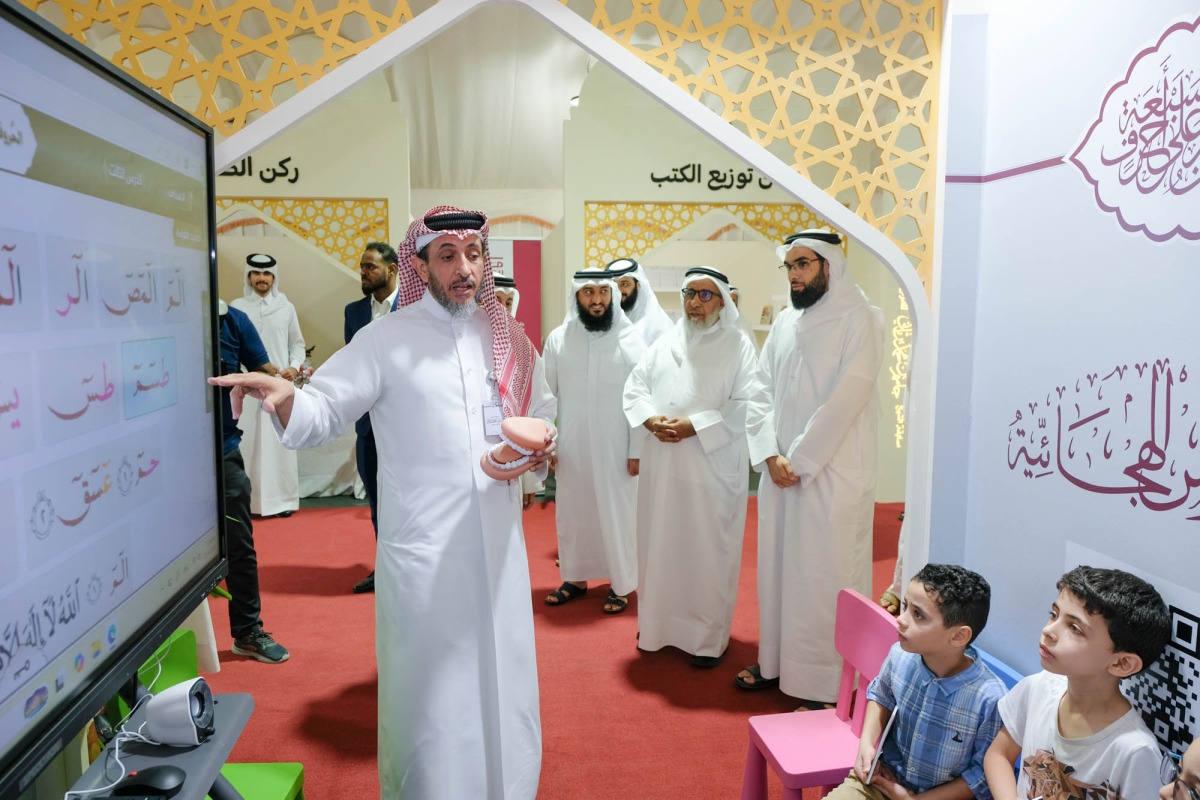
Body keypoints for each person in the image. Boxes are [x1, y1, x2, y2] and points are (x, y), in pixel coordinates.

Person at [210, 207, 557, 799]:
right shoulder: (384, 339)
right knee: (432, 697)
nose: (464, 269)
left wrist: (543, 444)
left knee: (505, 678)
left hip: (499, 549)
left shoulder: (507, 337)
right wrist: (288, 397)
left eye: (473, 254)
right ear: (419, 264)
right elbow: (324, 412)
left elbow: (543, 411)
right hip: (424, 556)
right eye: (447, 256)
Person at [738, 229, 883, 704]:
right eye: (790, 266)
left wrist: (798, 459)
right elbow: (758, 390)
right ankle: (777, 664)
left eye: (804, 265)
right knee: (778, 573)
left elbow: (850, 394)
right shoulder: (784, 323)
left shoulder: (859, 317)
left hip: (830, 472)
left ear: (829, 266)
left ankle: (825, 684)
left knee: (824, 575)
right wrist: (766, 453)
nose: (795, 275)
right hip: (781, 472)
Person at [623, 267, 768, 667]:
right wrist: (651, 420)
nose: (695, 302)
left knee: (707, 551)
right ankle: (657, 628)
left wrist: (695, 426)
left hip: (711, 467)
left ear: (723, 300)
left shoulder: (738, 345)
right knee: (660, 544)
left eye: (706, 295)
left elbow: (746, 404)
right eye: (690, 293)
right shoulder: (665, 341)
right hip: (664, 465)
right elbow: (635, 387)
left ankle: (706, 638)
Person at [983, 565, 1171, 800]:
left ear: (1122, 663)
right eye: (1054, 615)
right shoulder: (1039, 688)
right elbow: (998, 754)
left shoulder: (1135, 751)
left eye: (1075, 628)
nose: (1048, 630)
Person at [828, 563, 1005, 799]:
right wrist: (867, 744)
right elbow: (881, 695)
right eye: (905, 606)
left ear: (959, 635)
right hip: (882, 782)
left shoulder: (990, 698)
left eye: (918, 614)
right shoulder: (899, 655)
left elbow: (981, 776)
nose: (901, 619)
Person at [542, 268, 646, 615]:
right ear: (577, 297)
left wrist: (637, 449)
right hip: (572, 447)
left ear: (613, 295)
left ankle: (621, 583)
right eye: (589, 293)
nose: (597, 300)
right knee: (574, 514)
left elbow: (641, 400)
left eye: (603, 292)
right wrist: (548, 444)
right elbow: (546, 397)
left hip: (617, 449)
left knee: (618, 515)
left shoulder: (632, 341)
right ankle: (575, 576)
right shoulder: (558, 339)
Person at [216, 300, 290, 664]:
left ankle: (246, 631)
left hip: (222, 452)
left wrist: (285, 380)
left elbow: (265, 371)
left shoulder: (234, 321)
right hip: (161, 459)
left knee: (239, 545)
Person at [343, 242, 400, 594]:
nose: (363, 272)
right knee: (378, 501)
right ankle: (385, 569)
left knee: (407, 500)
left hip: (406, 427)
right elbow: (352, 365)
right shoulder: (352, 311)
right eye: (362, 267)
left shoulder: (414, 306)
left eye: (370, 267)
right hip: (368, 426)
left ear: (392, 269)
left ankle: (409, 569)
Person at [230, 253, 306, 518]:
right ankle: (249, 505)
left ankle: (282, 501)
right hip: (247, 389)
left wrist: (293, 367)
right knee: (248, 445)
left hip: (278, 388)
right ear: (249, 277)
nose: (261, 279)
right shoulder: (236, 308)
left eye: (266, 274)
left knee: (279, 445)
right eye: (256, 273)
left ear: (274, 277)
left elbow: (297, 344)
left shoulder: (286, 307)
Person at [607, 256, 674, 347]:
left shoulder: (659, 324)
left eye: (625, 284)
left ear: (638, 285)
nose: (618, 290)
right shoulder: (605, 320)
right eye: (614, 284)